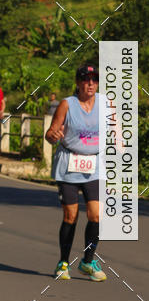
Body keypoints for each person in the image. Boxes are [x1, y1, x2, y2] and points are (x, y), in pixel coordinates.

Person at [45, 63, 107, 281]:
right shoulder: (67, 104)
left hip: (94, 165)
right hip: (69, 164)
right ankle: (63, 262)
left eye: (94, 79)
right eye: (85, 79)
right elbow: (51, 131)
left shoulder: (106, 104)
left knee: (96, 214)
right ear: (78, 82)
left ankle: (88, 261)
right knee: (70, 216)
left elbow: (116, 128)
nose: (90, 83)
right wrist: (53, 135)